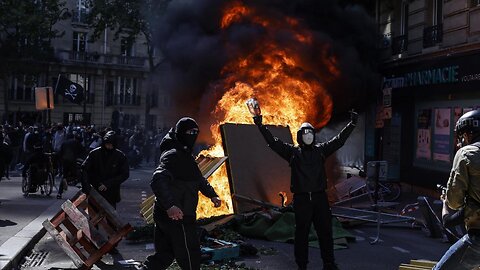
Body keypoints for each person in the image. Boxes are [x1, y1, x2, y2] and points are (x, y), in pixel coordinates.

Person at [252, 111, 357, 270]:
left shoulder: (321, 150)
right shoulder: (292, 153)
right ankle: (302, 265)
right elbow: (273, 143)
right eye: (305, 133)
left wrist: (352, 124)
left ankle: (329, 263)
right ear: (300, 136)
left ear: (314, 135)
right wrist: (260, 125)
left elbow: (339, 140)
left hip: (319, 198)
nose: (308, 136)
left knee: (325, 232)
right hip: (302, 200)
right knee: (301, 234)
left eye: (310, 133)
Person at [141, 117, 222, 270]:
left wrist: (212, 194)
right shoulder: (173, 154)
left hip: (173, 214)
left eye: (196, 132)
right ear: (181, 132)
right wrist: (170, 205)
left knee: (165, 254)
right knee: (190, 254)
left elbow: (198, 179)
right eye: (190, 131)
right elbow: (158, 179)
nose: (194, 135)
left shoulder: (184, 155)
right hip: (177, 216)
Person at [434, 110, 480, 270]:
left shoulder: (466, 153)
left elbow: (454, 202)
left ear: (467, 135)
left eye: (461, 137)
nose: (460, 142)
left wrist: (445, 203)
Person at [81, 130, 129, 209]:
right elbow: (84, 169)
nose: (109, 147)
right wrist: (87, 187)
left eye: (111, 145)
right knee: (93, 215)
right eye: (107, 144)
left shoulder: (120, 156)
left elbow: (125, 174)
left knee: (110, 217)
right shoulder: (94, 153)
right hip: (95, 190)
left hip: (111, 192)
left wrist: (109, 183)